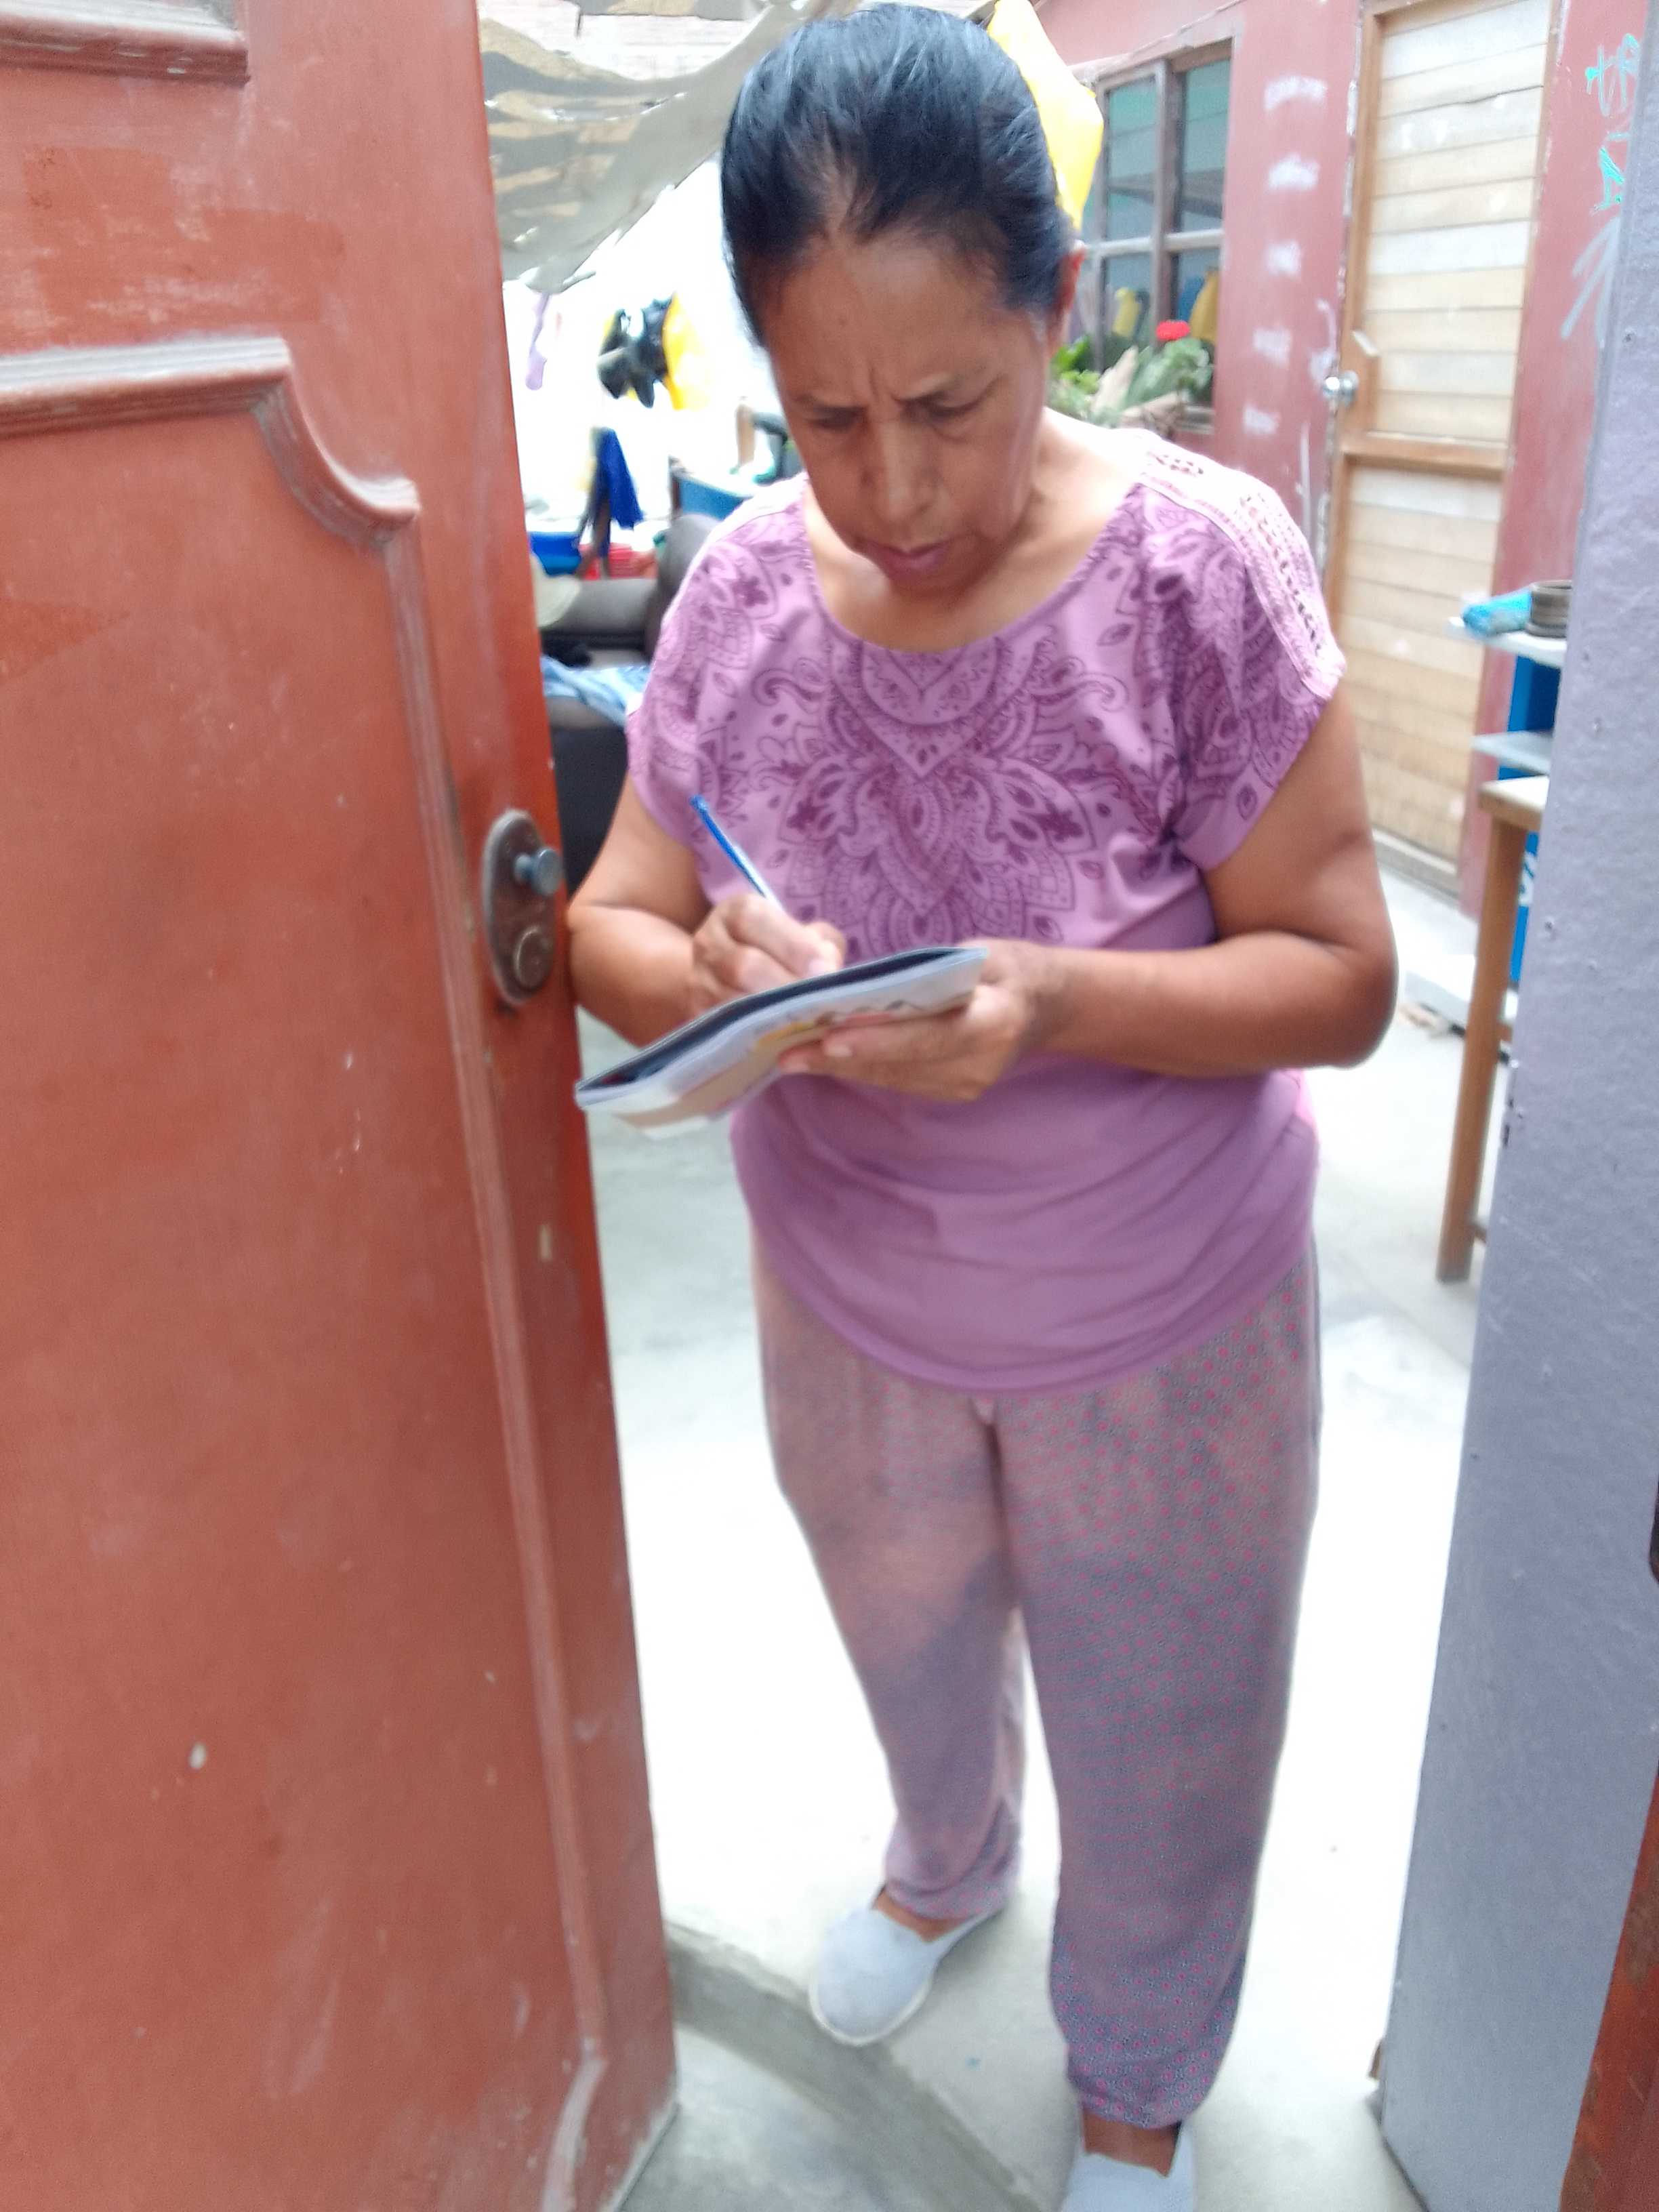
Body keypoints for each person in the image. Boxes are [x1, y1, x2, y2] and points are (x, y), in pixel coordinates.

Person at [567, 9, 1396, 2204]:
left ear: (1059, 308)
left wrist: (1049, 1001)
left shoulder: (1200, 577)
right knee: (907, 1632)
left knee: (1168, 1714)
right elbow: (613, 920)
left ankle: (1137, 2076)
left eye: (949, 404)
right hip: (848, 1303)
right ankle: (947, 1856)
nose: (895, 489)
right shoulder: (744, 595)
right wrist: (711, 975)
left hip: (1158, 1317)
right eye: (825, 416)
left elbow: (1343, 976)